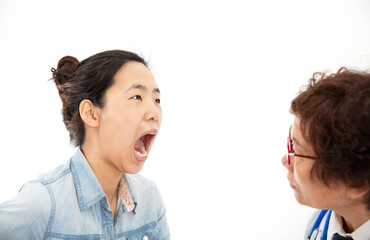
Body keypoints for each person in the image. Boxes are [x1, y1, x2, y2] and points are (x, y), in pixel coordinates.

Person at [0, 50, 170, 239]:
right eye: (136, 97)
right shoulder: (43, 203)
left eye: (157, 100)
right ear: (91, 113)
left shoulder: (150, 199)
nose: (155, 112)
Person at [282, 67, 370, 240]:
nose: (286, 160)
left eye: (297, 151)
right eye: (290, 143)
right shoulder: (321, 221)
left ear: (355, 183)